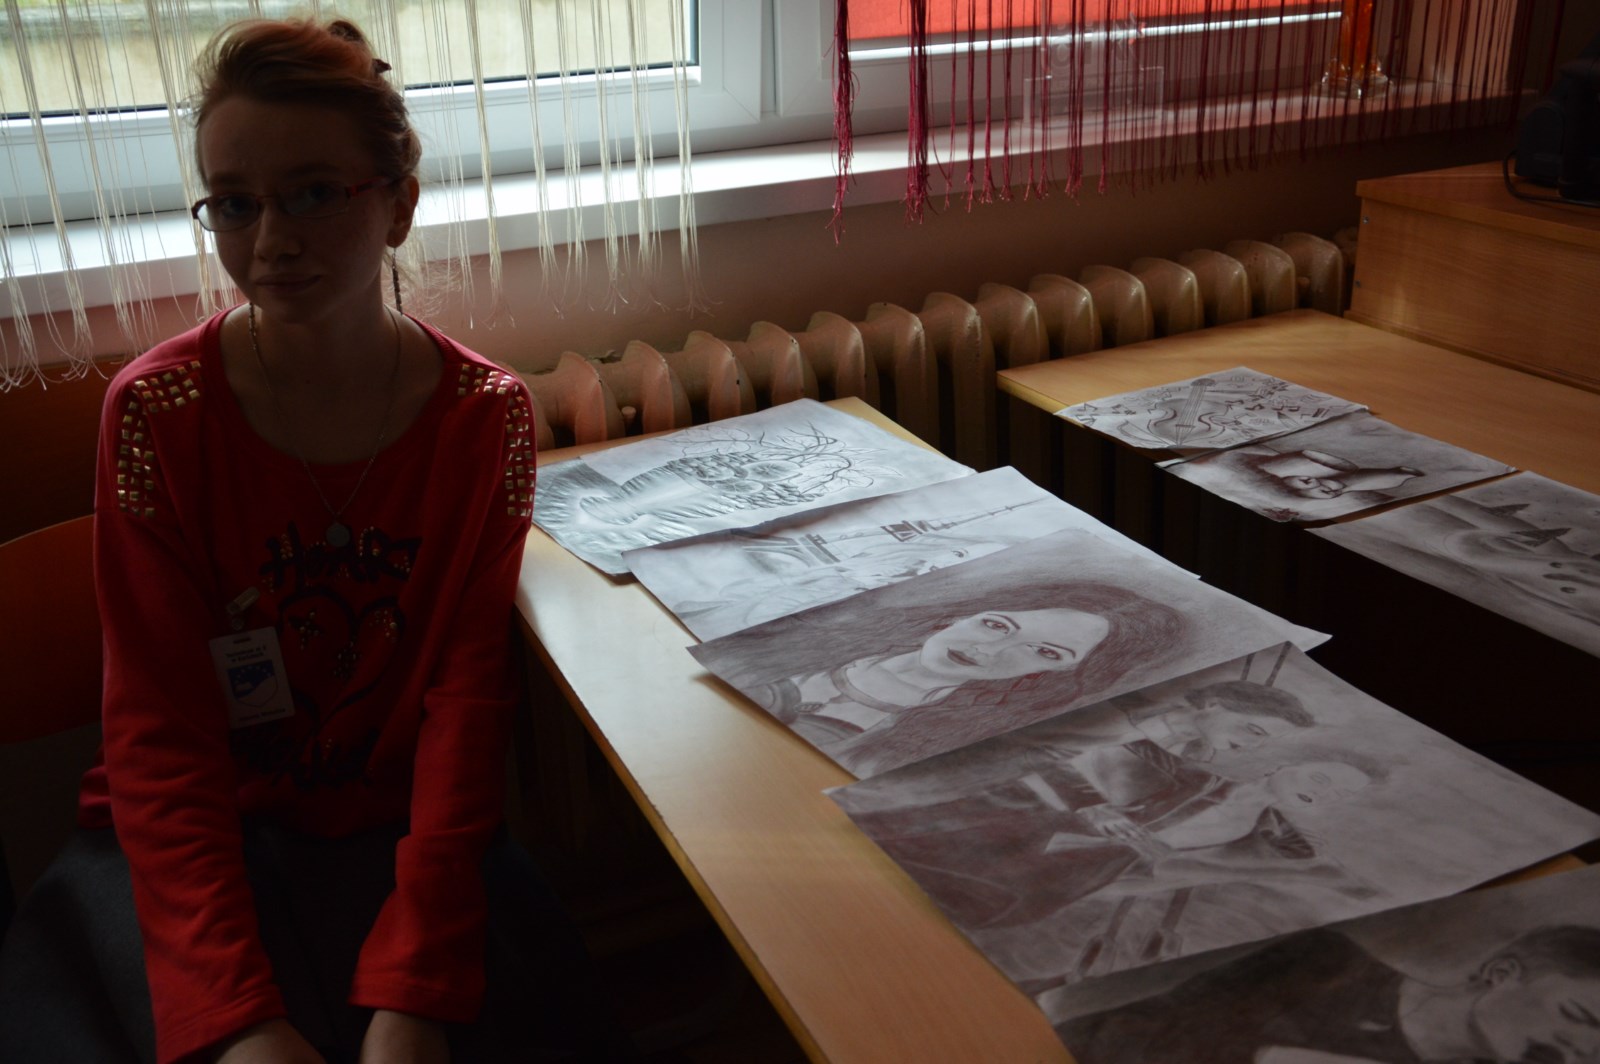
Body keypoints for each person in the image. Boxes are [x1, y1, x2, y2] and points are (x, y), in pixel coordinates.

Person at [0, 17, 626, 1064]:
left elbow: (465, 711)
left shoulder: (483, 419)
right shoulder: (158, 414)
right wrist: (238, 1016)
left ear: (399, 205)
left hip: (396, 839)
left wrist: (416, 987)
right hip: (185, 846)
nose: (270, 240)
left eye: (314, 193)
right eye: (234, 203)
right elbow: (159, 734)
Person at [744, 581, 1187, 776]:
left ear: (1060, 672)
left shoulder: (933, 739)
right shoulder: (815, 636)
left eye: (1046, 651)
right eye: (996, 625)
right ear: (966, 613)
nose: (988, 650)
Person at [1056, 924, 1600, 1064]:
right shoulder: (1327, 963)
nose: (1576, 1053)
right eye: (1577, 1014)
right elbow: (1107, 1038)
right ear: (1502, 972)